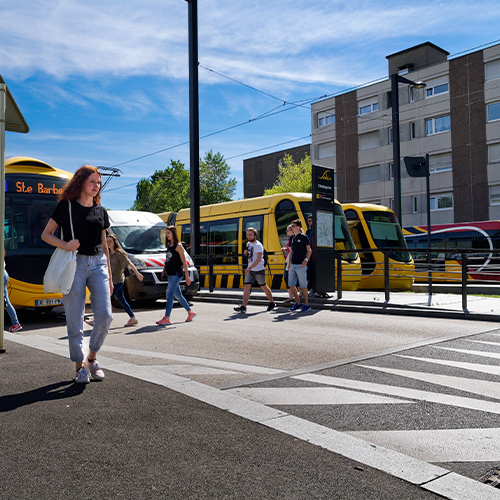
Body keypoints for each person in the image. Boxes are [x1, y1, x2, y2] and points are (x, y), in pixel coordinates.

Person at [42, 165, 113, 384]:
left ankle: (91, 358)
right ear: (81, 182)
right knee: (75, 319)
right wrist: (65, 244)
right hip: (75, 264)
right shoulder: (67, 207)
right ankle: (79, 367)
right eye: (92, 181)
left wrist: (109, 275)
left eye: (98, 183)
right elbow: (46, 235)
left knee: (105, 316)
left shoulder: (100, 210)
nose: (96, 186)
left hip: (98, 264)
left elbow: (104, 244)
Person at [156, 226, 196, 325]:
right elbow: (167, 260)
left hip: (176, 274)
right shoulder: (169, 245)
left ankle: (166, 318)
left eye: (168, 233)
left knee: (169, 294)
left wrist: (187, 276)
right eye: (166, 233)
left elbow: (184, 262)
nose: (167, 235)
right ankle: (190, 312)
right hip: (170, 274)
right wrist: (163, 271)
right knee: (178, 295)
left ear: (173, 233)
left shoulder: (179, 246)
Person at [106, 232, 144, 327]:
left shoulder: (119, 253)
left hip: (118, 281)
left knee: (106, 299)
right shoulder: (108, 252)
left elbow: (129, 263)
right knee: (122, 301)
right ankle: (133, 318)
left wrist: (137, 273)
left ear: (114, 242)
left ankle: (97, 319)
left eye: (110, 241)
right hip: (111, 280)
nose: (108, 243)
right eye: (106, 241)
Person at [234, 227, 275, 314]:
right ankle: (243, 307)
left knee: (264, 286)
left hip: (259, 270)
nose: (249, 236)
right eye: (247, 235)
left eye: (250, 235)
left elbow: (259, 259)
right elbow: (252, 255)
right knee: (246, 287)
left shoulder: (258, 245)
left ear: (255, 236)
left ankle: (272, 303)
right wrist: (246, 252)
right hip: (250, 270)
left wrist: (249, 268)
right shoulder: (249, 244)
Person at [288, 219, 312, 312]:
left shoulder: (304, 237)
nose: (291, 227)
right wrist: (289, 264)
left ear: (298, 227)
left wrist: (305, 260)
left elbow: (309, 250)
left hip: (301, 265)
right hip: (293, 265)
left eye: (293, 226)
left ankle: (307, 305)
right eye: (291, 226)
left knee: (303, 286)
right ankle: (298, 303)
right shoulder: (292, 238)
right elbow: (291, 252)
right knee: (291, 285)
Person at [4, 256, 22, 333]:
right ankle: (15, 324)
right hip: (4, 274)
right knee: (6, 302)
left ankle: (16, 323)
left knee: (6, 302)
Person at [281, 224, 295, 303]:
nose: (286, 231)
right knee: (287, 278)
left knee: (290, 278)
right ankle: (291, 296)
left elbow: (293, 250)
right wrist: (285, 249)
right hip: (288, 260)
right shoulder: (290, 238)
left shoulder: (294, 238)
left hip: (291, 260)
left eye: (288, 230)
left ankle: (300, 293)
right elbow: (290, 249)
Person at [306, 214, 315, 294]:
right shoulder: (308, 231)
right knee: (310, 272)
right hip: (309, 255)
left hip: (316, 255)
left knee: (314, 272)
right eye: (308, 221)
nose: (308, 222)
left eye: (310, 221)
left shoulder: (316, 230)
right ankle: (310, 288)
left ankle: (314, 288)